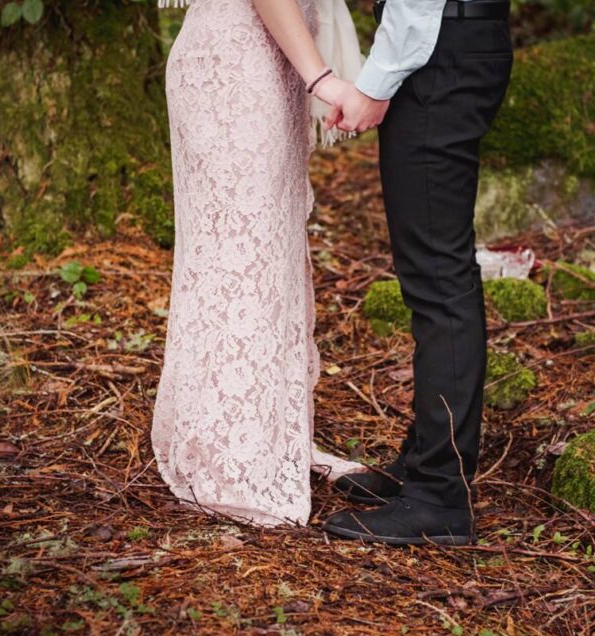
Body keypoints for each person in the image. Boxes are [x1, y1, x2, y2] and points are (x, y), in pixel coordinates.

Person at [150, 0, 367, 527]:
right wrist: (324, 80)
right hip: (239, 71)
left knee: (262, 259)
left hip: (266, 65)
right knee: (238, 260)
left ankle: (261, 435)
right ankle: (232, 457)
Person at [323, 0, 514, 545]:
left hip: (438, 52)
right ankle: (424, 461)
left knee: (438, 278)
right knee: (431, 273)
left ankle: (439, 494)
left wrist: (375, 82)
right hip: (449, 45)